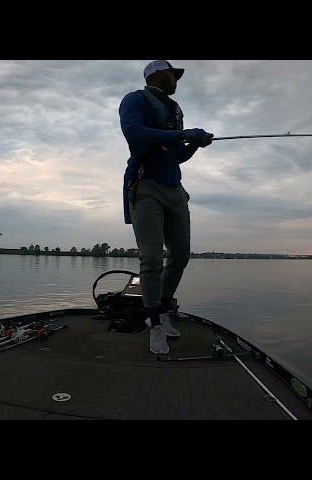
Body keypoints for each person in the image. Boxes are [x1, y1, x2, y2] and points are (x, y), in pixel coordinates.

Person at [119, 60, 213, 354]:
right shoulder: (134, 100)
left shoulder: (175, 109)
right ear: (158, 74)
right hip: (146, 187)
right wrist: (184, 135)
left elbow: (177, 156)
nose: (177, 80)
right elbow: (135, 134)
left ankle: (161, 307)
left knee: (181, 254)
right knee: (150, 258)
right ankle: (155, 324)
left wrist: (195, 144)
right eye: (174, 74)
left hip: (175, 190)